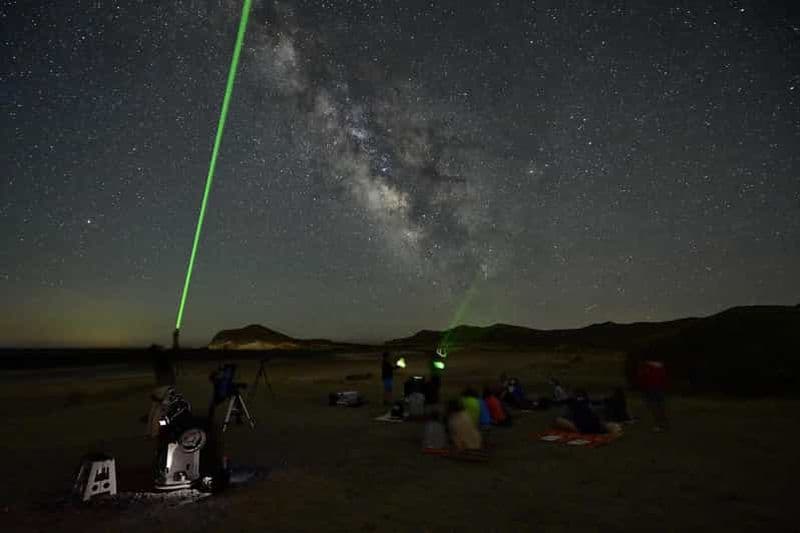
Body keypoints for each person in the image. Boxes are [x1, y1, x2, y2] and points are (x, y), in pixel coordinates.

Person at [553, 390, 621, 435]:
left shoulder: (571, 403)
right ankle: (614, 430)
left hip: (582, 428)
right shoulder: (588, 401)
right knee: (607, 424)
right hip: (596, 426)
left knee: (558, 420)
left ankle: (577, 430)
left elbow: (564, 416)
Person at [637, 359, 669, 431]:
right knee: (659, 406)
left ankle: (660, 424)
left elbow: (643, 378)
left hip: (652, 388)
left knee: (654, 407)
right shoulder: (659, 367)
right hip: (657, 388)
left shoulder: (647, 367)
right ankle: (662, 423)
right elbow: (663, 378)